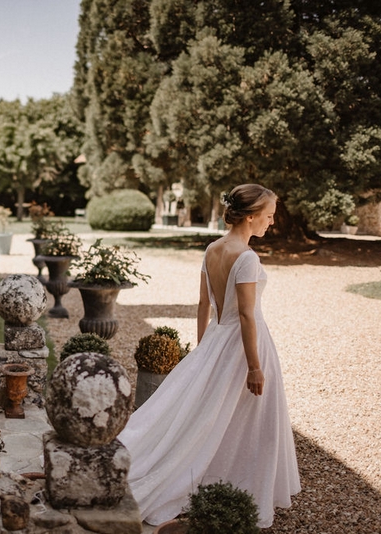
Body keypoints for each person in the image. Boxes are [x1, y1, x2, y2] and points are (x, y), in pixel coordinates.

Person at [118, 184, 300, 528]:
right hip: (241, 347)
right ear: (250, 216)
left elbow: (204, 304)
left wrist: (203, 352)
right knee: (249, 420)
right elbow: (247, 315)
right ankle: (234, 485)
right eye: (269, 216)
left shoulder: (212, 248)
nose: (271, 223)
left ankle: (218, 478)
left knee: (215, 415)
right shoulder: (246, 258)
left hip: (217, 339)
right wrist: (255, 367)